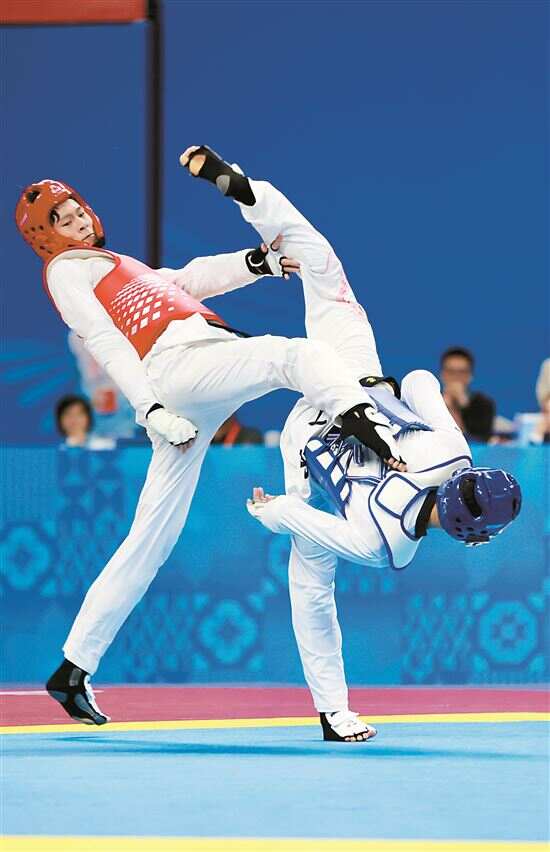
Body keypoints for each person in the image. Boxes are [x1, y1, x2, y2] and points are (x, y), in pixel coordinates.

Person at [16, 159, 404, 725]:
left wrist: (255, 263)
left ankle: (72, 668)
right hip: (179, 371)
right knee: (296, 355)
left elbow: (185, 281)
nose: (77, 220)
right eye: (63, 218)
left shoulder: (115, 266)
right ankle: (367, 424)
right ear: (45, 235)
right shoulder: (65, 272)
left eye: (77, 210)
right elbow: (103, 340)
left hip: (191, 379)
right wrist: (149, 410)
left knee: (151, 537)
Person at [239, 170, 522, 742]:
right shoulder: (388, 547)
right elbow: (300, 519)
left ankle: (252, 195)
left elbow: (418, 380)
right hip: (305, 445)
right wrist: (268, 511)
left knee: (326, 273)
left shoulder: (454, 452)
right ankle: (334, 713)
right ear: (468, 537)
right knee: (312, 591)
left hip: (352, 380)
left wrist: (390, 401)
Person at [440, 347, 495, 442]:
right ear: (442, 375)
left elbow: (482, 440)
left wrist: (462, 406)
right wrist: (445, 406)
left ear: (470, 376)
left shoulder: (484, 404)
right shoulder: (430, 402)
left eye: (461, 372)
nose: (456, 377)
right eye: (451, 372)